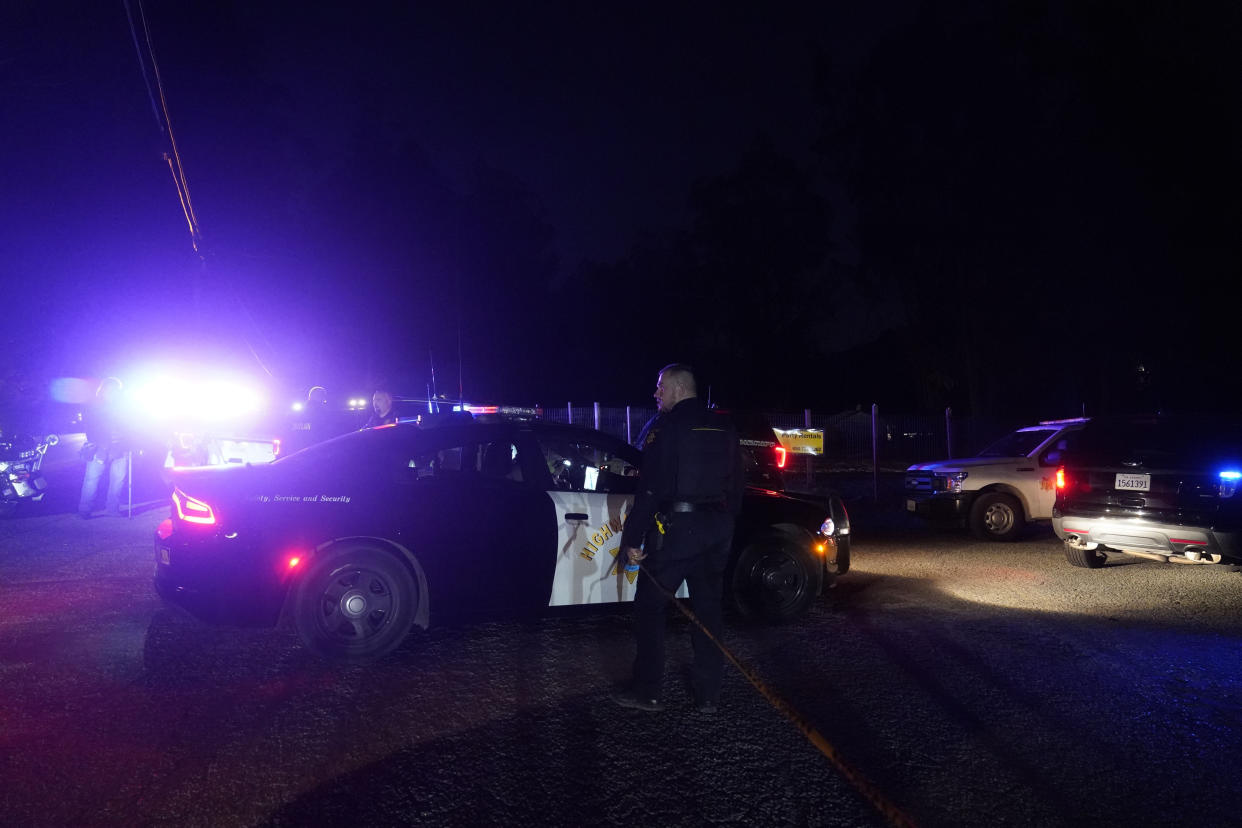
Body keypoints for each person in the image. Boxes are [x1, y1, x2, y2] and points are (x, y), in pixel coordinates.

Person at [611, 363, 742, 713]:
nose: (656, 394)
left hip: (679, 532)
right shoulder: (725, 425)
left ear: (679, 389)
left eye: (660, 387)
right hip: (717, 529)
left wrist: (632, 541)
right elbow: (737, 486)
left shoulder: (667, 427)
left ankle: (648, 690)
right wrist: (726, 524)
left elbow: (650, 489)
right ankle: (709, 695)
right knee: (708, 611)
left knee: (650, 608)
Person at [78, 377, 131, 518]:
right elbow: (90, 428)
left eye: (115, 390)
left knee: (118, 480)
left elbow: (132, 427)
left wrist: (128, 441)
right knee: (91, 480)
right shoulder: (94, 407)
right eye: (110, 390)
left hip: (120, 448)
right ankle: (84, 509)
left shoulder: (124, 407)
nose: (112, 393)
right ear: (103, 390)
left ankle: (112, 508)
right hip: (100, 448)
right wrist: (102, 446)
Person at [284, 386, 332, 455]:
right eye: (323, 396)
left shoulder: (299, 409)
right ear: (320, 397)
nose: (324, 399)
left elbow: (287, 426)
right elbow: (325, 429)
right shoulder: (322, 411)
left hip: (294, 447)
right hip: (314, 447)